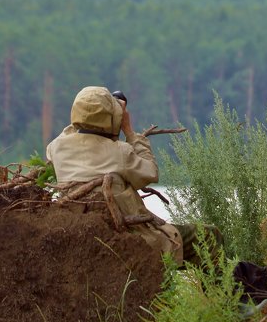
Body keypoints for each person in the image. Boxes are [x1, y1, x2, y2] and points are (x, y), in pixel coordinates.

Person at [46, 85, 222, 266]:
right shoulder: (120, 152)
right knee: (209, 236)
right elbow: (150, 172)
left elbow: (75, 132)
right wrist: (128, 130)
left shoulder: (56, 148)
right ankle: (217, 292)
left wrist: (93, 117)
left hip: (86, 235)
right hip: (132, 237)